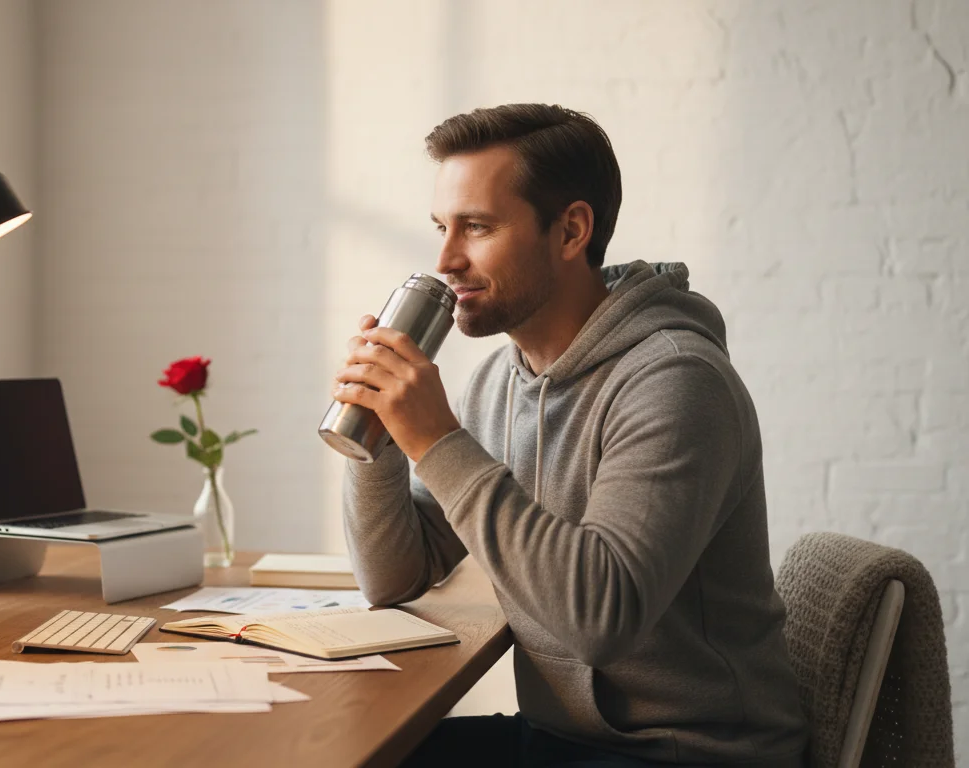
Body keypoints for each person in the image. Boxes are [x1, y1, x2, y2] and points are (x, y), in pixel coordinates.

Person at [333, 104, 808, 767]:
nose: (446, 259)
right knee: (344, 751)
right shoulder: (498, 380)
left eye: (478, 227)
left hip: (688, 754)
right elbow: (394, 577)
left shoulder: (675, 382)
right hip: (563, 739)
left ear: (571, 230)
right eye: (442, 227)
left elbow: (599, 620)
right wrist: (378, 433)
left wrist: (438, 440)